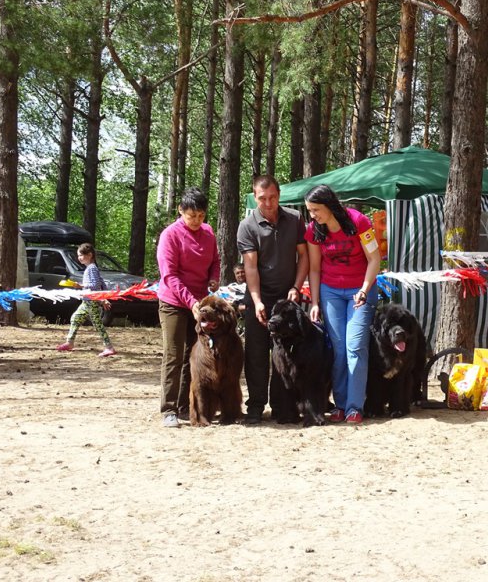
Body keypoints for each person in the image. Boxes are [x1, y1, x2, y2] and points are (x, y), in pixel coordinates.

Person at [304, 184, 381, 424]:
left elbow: (374, 258)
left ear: (328, 205)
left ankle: (354, 407)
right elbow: (314, 269)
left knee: (355, 346)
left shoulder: (359, 221)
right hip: (331, 292)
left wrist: (364, 290)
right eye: (309, 211)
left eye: (315, 210)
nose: (312, 215)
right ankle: (339, 404)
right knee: (338, 349)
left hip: (360, 290)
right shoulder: (313, 231)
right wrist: (315, 302)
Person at [237, 175, 308, 425]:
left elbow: (304, 257)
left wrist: (297, 287)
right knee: (256, 354)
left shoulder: (296, 219)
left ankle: (281, 406)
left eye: (273, 197)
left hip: (286, 300)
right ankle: (255, 405)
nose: (268, 203)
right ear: (255, 197)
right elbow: (251, 268)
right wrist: (256, 301)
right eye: (262, 198)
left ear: (280, 195)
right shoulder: (247, 226)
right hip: (259, 296)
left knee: (284, 353)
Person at [157, 188, 220, 428]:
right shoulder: (170, 235)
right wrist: (191, 302)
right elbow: (169, 276)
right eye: (191, 215)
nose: (196, 221)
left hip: (199, 303)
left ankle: (187, 406)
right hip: (174, 302)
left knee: (193, 355)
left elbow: (215, 260)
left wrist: (213, 279)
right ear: (181, 211)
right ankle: (169, 409)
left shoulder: (208, 233)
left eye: (201, 216)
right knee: (174, 354)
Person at [56, 243, 116, 358]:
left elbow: (95, 285)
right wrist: (103, 299)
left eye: (81, 255)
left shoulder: (92, 268)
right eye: (78, 255)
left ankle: (109, 347)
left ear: (89, 255)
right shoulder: (90, 268)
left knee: (98, 324)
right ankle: (69, 343)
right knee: (75, 318)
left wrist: (81, 285)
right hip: (86, 301)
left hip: (91, 301)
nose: (79, 258)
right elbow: (101, 283)